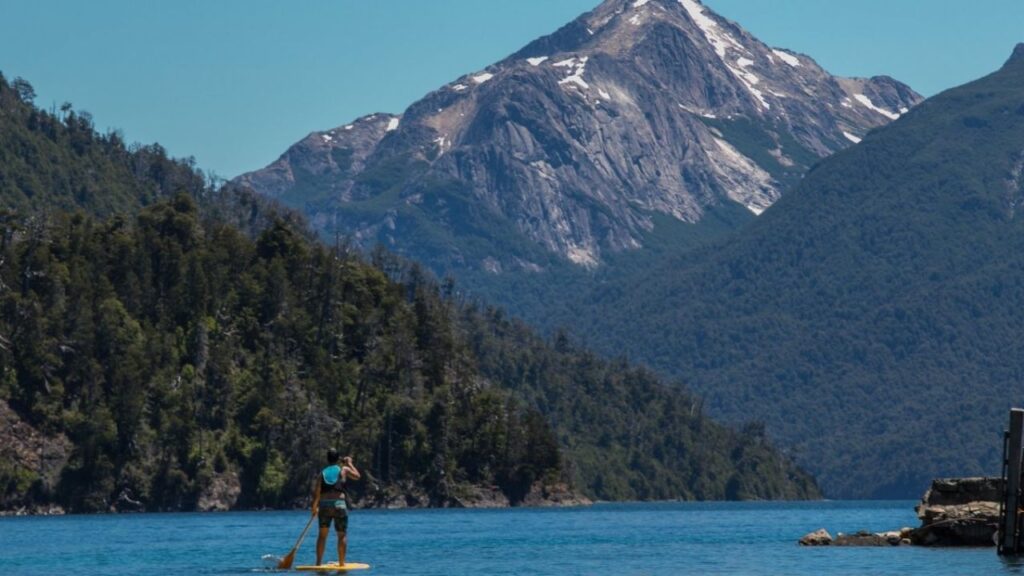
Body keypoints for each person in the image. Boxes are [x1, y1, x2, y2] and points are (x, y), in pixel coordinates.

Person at [311, 448, 361, 566]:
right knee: (341, 535)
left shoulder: (322, 474)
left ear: (327, 459)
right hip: (339, 504)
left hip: (324, 505)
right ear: (337, 459)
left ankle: (318, 563)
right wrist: (349, 463)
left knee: (322, 535)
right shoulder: (343, 469)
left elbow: (317, 493)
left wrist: (314, 508)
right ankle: (341, 563)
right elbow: (358, 476)